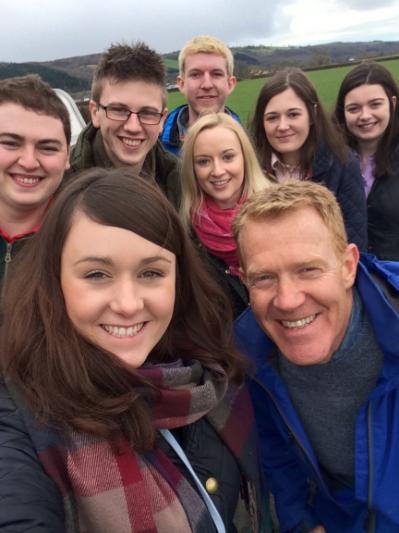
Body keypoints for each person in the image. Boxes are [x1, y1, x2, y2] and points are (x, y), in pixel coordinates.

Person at [0, 167, 263, 532]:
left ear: (179, 278)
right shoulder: (21, 413)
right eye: (97, 274)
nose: (127, 304)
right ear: (54, 281)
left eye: (151, 273)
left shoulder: (205, 372)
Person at [233, 179, 399, 532]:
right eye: (264, 278)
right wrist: (301, 522)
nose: (288, 300)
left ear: (348, 266)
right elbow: (275, 450)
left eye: (307, 269)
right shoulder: (250, 353)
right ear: (245, 282)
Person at [250, 67, 367, 251]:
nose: (282, 126)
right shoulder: (250, 166)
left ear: (311, 115)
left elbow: (352, 243)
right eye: (272, 118)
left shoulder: (342, 164)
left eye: (293, 114)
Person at [180, 112, 271, 317]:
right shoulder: (186, 233)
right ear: (191, 169)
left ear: (245, 158)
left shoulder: (278, 216)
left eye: (228, 157)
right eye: (203, 161)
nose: (217, 170)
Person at [68, 42, 181, 207]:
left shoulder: (180, 182)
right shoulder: (60, 183)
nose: (133, 127)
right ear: (95, 113)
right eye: (119, 110)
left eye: (147, 113)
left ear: (162, 119)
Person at [0, 74, 70, 290]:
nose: (29, 162)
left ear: (68, 157)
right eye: (10, 143)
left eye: (47, 148)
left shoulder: (88, 237)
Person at [333, 61, 399, 260]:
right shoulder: (330, 160)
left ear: (393, 103)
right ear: (342, 112)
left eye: (375, 104)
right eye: (354, 108)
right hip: (347, 278)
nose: (365, 116)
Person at [161, 35, 239, 156]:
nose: (207, 85)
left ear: (230, 84)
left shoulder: (249, 145)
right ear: (181, 84)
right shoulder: (156, 147)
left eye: (216, 74)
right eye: (196, 75)